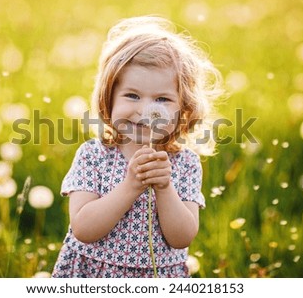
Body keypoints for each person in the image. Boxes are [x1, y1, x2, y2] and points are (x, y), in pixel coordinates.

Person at [52, 16, 222, 278]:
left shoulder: (184, 163)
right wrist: (131, 185)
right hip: (93, 274)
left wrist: (165, 188)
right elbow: (83, 229)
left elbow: (182, 237)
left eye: (162, 99)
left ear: (183, 110)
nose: (145, 110)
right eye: (132, 95)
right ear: (109, 98)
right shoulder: (94, 156)